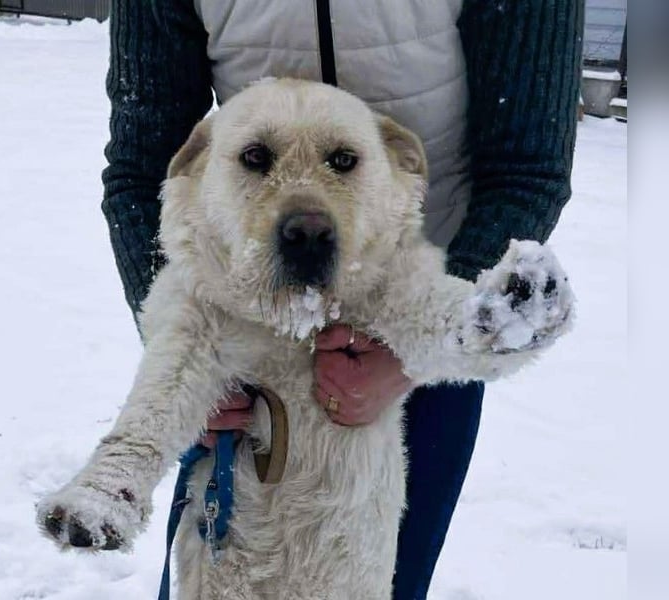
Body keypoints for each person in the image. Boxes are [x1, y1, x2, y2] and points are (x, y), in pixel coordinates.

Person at [100, 1, 583, 597]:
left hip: (420, 310)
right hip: (240, 328)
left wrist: (412, 348)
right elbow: (144, 169)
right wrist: (180, 337)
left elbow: (527, 166)